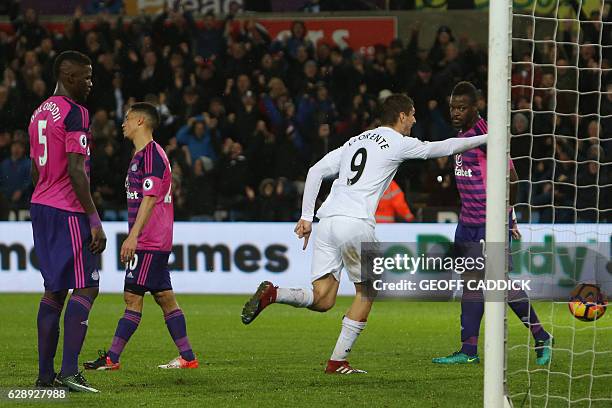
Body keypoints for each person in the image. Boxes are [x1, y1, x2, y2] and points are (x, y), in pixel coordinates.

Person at [241, 94, 487, 374]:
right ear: (402, 116)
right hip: (355, 224)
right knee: (368, 291)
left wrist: (306, 217)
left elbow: (315, 171)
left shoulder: (355, 141)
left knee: (323, 299)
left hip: (328, 222)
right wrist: (488, 137)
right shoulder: (397, 142)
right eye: (413, 114)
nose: (415, 120)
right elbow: (444, 147)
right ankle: (338, 362)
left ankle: (274, 294)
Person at [432, 81, 552, 365]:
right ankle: (468, 351)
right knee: (471, 285)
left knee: (498, 284)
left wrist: (507, 216)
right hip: (467, 223)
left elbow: (511, 177)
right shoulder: (461, 136)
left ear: (476, 107)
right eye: (453, 107)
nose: (456, 112)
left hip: (490, 224)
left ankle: (541, 335)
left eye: (462, 107)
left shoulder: (485, 134)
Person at [84, 102, 198, 371]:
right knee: (165, 298)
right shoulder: (141, 156)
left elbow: (149, 198)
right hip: (154, 239)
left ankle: (112, 358)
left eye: (127, 118)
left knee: (132, 298)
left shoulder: (151, 156)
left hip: (148, 241)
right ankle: (188, 357)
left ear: (140, 122)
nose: (122, 122)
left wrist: (133, 236)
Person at [28, 50, 106, 392]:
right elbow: (77, 169)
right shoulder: (76, 113)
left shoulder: (39, 112)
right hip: (68, 209)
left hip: (41, 206)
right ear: (70, 76)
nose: (90, 83)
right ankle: (70, 371)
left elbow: (34, 168)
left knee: (54, 291)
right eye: (86, 77)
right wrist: (93, 218)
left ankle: (45, 378)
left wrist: (46, 194)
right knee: (88, 285)